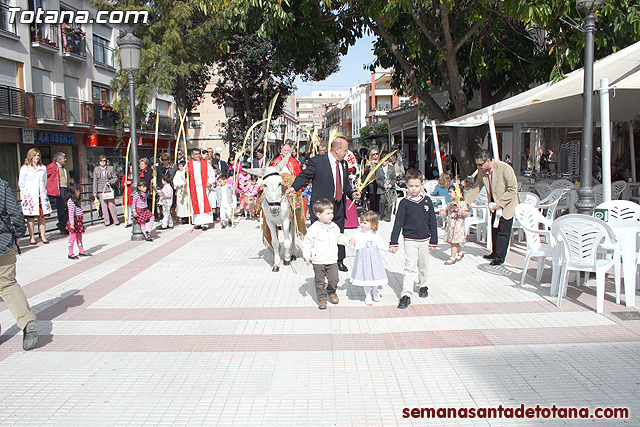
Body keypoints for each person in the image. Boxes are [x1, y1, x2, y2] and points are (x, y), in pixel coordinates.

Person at [287, 136, 362, 272]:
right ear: (337, 149)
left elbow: (345, 185)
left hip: (338, 205)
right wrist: (294, 187)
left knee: (339, 232)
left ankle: (339, 260)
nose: (347, 153)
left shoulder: (343, 164)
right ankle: (319, 262)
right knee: (320, 236)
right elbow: (305, 176)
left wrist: (352, 194)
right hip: (322, 206)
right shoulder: (317, 161)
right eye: (345, 150)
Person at [389, 168, 438, 309]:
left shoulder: (427, 201)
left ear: (421, 184)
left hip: (425, 239)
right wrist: (393, 242)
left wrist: (434, 240)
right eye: (411, 186)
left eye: (416, 186)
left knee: (423, 265)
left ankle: (423, 284)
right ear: (406, 185)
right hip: (410, 239)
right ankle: (406, 294)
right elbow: (398, 223)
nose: (414, 189)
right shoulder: (404, 203)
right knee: (409, 267)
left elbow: (432, 222)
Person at [0, 178, 38, 350]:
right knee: (7, 283)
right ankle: (26, 319)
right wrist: (18, 233)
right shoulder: (1, 184)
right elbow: (14, 212)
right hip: (2, 241)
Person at [464, 149, 519, 266]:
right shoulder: (482, 171)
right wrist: (466, 202)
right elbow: (477, 187)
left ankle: (500, 257)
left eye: (480, 164)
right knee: (494, 228)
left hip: (506, 203)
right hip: (494, 203)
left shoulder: (505, 168)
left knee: (503, 231)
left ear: (488, 160)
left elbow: (513, 189)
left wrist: (501, 203)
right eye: (477, 164)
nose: (478, 167)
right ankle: (494, 252)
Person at [303, 199, 350, 309]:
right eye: (328, 213)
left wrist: (348, 241)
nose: (331, 216)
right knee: (319, 281)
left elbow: (339, 237)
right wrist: (307, 256)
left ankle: (331, 291)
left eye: (332, 213)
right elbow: (307, 243)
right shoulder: (314, 228)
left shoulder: (334, 226)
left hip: (332, 259)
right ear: (318, 214)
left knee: (334, 279)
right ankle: (322, 298)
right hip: (318, 260)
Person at [349, 210, 391, 306]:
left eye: (365, 223)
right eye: (361, 222)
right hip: (363, 259)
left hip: (374, 259)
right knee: (366, 277)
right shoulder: (359, 234)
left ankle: (375, 291)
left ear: (373, 224)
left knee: (376, 275)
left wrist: (389, 249)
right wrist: (351, 244)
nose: (362, 225)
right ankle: (367, 295)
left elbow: (381, 245)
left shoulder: (376, 234)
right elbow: (354, 246)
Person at [19, 148, 52, 245]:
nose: (36, 157)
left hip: (40, 195)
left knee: (42, 217)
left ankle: (43, 235)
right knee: (31, 218)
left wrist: (43, 191)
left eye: (38, 155)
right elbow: (21, 183)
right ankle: (32, 236)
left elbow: (44, 181)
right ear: (30, 156)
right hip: (30, 196)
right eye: (34, 155)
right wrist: (25, 195)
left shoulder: (43, 168)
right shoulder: (25, 168)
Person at [185, 148, 215, 230]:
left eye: (199, 154)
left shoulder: (205, 164)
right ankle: (197, 222)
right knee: (195, 204)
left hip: (203, 187)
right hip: (194, 188)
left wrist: (210, 182)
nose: (198, 155)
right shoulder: (188, 164)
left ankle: (205, 222)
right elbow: (182, 176)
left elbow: (212, 174)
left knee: (204, 204)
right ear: (192, 155)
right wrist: (185, 172)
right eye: (196, 154)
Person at [441, 184, 468, 265]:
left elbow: (465, 213)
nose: (449, 194)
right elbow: (448, 213)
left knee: (454, 242)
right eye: (449, 192)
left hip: (457, 225)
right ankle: (460, 253)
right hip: (451, 225)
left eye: (451, 192)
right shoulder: (450, 203)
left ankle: (452, 257)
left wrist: (461, 212)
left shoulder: (462, 203)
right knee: (454, 241)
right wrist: (443, 212)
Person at [65, 182, 91, 260]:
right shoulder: (70, 201)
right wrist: (72, 223)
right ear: (73, 191)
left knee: (79, 237)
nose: (79, 192)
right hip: (74, 221)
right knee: (72, 237)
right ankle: (70, 253)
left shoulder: (76, 200)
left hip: (79, 221)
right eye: (77, 191)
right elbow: (71, 213)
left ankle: (81, 250)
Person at [92, 155, 120, 226]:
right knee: (104, 206)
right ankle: (107, 221)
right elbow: (95, 181)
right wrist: (94, 191)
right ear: (99, 162)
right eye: (101, 161)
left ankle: (115, 220)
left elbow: (115, 178)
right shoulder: (96, 169)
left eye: (104, 160)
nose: (103, 162)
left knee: (111, 205)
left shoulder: (110, 168)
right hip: (101, 189)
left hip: (109, 188)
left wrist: (110, 182)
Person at [46, 152, 69, 235]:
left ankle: (62, 224)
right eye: (63, 158)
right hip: (58, 190)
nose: (65, 159)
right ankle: (62, 226)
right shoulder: (52, 167)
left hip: (64, 188)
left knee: (69, 206)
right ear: (59, 160)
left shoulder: (62, 168)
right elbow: (44, 175)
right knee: (61, 209)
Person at [375, 152, 397, 221]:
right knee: (382, 200)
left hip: (390, 188)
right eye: (382, 160)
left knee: (389, 202)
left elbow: (394, 178)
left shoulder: (391, 168)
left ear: (387, 161)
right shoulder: (378, 169)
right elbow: (377, 179)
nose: (384, 162)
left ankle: (388, 216)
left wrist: (391, 184)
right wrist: (383, 185)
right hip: (382, 188)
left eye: (385, 160)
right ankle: (381, 214)